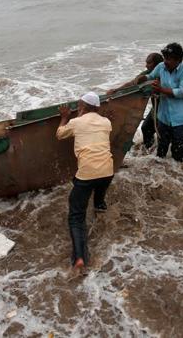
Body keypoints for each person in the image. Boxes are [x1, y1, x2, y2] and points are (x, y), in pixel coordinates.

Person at [56, 92, 114, 273]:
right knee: (99, 193)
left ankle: (79, 256)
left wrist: (65, 118)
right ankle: (100, 208)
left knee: (76, 216)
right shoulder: (106, 122)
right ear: (97, 108)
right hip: (108, 171)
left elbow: (59, 134)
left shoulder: (76, 122)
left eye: (79, 105)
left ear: (82, 106)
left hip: (87, 173)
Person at [135, 42, 183, 161]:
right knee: (161, 150)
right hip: (163, 116)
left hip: (180, 119)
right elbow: (151, 76)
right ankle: (160, 174)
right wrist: (143, 78)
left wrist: (161, 89)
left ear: (178, 60)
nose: (165, 61)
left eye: (169, 59)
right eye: (165, 58)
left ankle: (177, 175)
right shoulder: (161, 66)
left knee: (178, 152)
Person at [107, 53, 164, 149]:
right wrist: (116, 90)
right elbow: (132, 83)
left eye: (149, 63)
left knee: (163, 134)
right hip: (156, 108)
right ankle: (149, 150)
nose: (146, 65)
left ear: (157, 65)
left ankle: (161, 157)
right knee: (146, 128)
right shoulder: (146, 74)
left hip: (167, 109)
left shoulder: (165, 74)